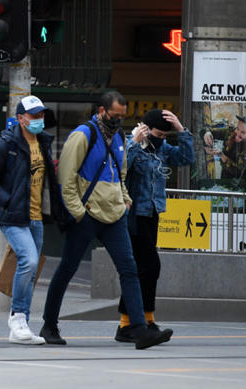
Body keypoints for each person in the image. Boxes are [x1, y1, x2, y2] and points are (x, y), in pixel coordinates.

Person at [40, 91, 173, 350]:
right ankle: (49, 324)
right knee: (67, 268)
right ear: (101, 110)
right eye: (115, 115)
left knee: (129, 269)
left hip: (114, 214)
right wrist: (78, 212)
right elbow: (66, 179)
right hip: (87, 214)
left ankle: (138, 329)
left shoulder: (120, 137)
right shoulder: (83, 135)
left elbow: (120, 174)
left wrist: (124, 199)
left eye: (123, 116)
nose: (119, 120)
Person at [0, 95, 65, 345]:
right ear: (20, 118)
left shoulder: (43, 142)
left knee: (31, 269)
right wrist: (7, 200)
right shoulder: (6, 144)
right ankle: (17, 317)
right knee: (27, 261)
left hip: (36, 216)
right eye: (34, 115)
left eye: (41, 115)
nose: (39, 119)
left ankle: (22, 324)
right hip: (13, 215)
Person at [116, 109, 193, 339]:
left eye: (164, 135)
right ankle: (137, 322)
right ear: (146, 129)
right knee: (150, 266)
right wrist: (134, 143)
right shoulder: (132, 145)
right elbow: (119, 168)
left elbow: (187, 158)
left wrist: (181, 129)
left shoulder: (164, 150)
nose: (160, 138)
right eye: (157, 133)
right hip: (134, 215)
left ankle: (133, 323)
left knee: (142, 269)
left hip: (153, 213)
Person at [202, 112, 246, 191]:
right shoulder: (230, 132)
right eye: (237, 129)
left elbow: (237, 171)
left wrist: (221, 155)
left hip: (242, 181)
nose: (238, 134)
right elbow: (210, 130)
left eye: (243, 132)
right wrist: (207, 133)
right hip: (225, 177)